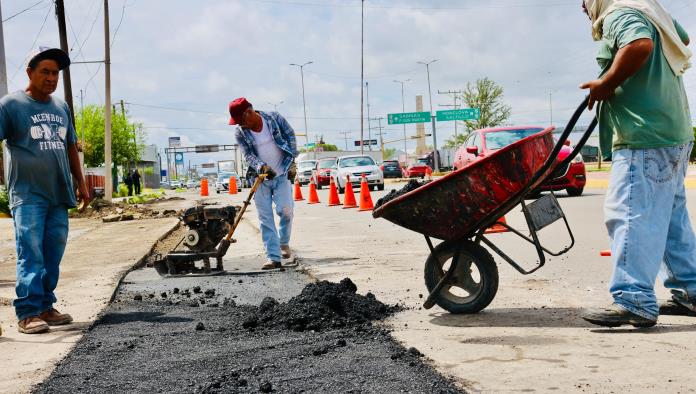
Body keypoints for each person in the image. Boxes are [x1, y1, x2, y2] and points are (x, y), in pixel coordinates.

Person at [579, 0, 695, 327]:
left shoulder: (620, 13)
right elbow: (681, 38)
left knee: (629, 212)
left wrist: (608, 82)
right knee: (671, 220)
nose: (582, 6)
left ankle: (634, 298)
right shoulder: (647, 9)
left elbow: (639, 44)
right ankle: (691, 290)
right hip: (672, 131)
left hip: (645, 135)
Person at [0, 47, 89, 334]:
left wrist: (82, 183)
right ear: (30, 72)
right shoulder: (10, 105)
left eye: (55, 73)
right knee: (31, 250)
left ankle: (45, 306)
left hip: (58, 192)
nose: (51, 78)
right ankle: (27, 312)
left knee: (53, 251)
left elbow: (70, 146)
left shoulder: (61, 107)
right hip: (27, 194)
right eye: (45, 72)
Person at [230, 97, 298, 270]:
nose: (240, 125)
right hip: (259, 178)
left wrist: (291, 160)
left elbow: (290, 134)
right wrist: (262, 166)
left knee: (286, 211)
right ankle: (273, 257)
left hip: (282, 174)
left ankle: (283, 243)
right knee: (265, 218)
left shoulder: (274, 118)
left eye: (240, 121)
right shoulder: (241, 133)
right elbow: (248, 155)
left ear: (249, 113)